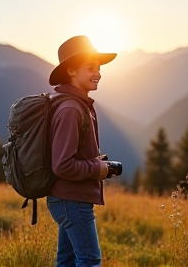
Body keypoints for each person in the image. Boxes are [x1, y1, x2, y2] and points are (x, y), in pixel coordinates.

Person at [47, 35, 122, 267]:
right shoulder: (71, 108)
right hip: (72, 199)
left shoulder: (73, 104)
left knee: (67, 261)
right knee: (89, 259)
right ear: (70, 71)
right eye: (90, 67)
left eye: (99, 68)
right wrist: (98, 168)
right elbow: (62, 165)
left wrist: (95, 162)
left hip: (66, 197)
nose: (98, 73)